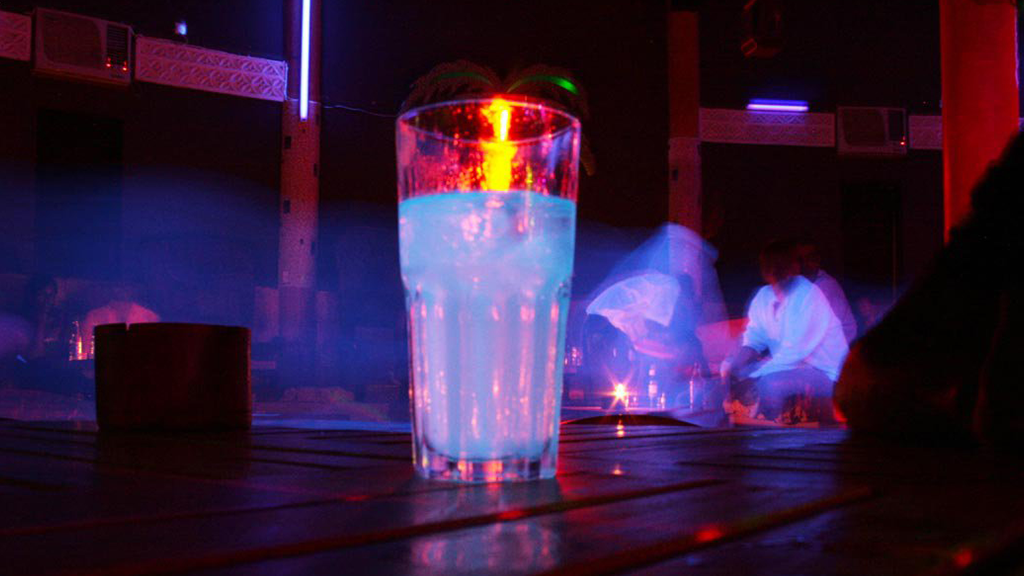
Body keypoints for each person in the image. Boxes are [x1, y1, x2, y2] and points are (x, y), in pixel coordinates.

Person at [722, 240, 849, 421]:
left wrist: (752, 377)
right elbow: (753, 341)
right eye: (771, 266)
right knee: (734, 382)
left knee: (769, 385)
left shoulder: (809, 295)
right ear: (765, 271)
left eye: (782, 265)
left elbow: (794, 354)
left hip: (828, 376)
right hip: (791, 369)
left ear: (794, 267)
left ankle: (777, 436)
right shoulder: (763, 297)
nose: (777, 271)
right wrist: (733, 370)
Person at [796, 240, 858, 343]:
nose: (805, 263)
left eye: (809, 257)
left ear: (818, 259)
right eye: (800, 259)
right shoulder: (801, 284)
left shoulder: (826, 286)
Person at [81, 284, 160, 355]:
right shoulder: (94, 316)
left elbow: (155, 350)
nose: (122, 289)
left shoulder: (149, 316)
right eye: (118, 285)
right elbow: (86, 350)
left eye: (126, 284)